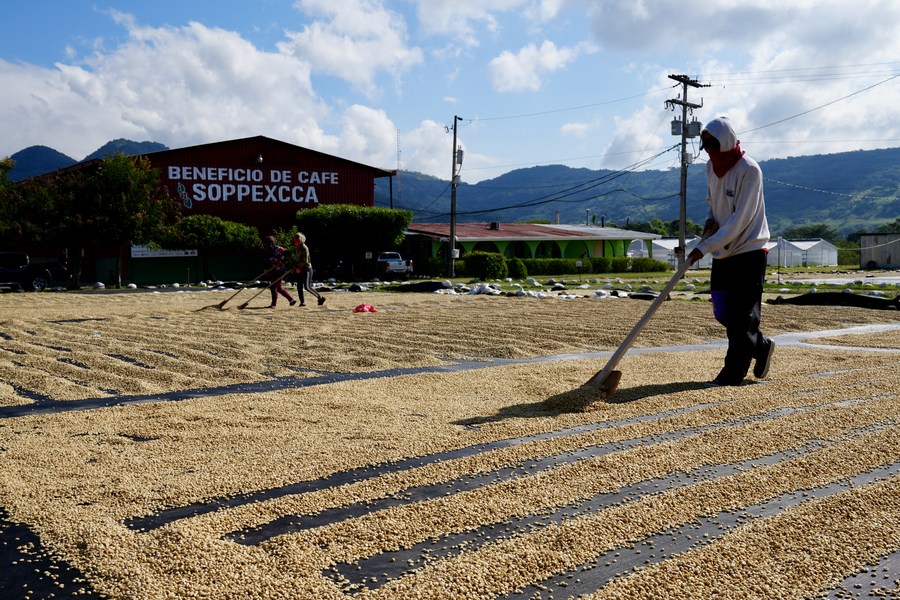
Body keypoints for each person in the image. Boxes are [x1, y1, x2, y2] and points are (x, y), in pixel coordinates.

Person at [687, 116, 775, 387]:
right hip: (722, 251)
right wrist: (710, 221)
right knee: (724, 313)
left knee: (743, 316)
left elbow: (740, 220)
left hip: (749, 249)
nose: (710, 152)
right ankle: (761, 346)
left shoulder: (750, 170)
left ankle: (732, 374)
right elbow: (713, 203)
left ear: (725, 141)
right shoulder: (712, 168)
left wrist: (703, 248)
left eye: (713, 146)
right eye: (706, 148)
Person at [290, 232, 325, 306]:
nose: (295, 242)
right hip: (299, 269)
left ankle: (320, 297)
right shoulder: (297, 248)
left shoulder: (304, 248)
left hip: (306, 269)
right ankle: (302, 302)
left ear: (300, 240)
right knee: (299, 286)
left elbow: (305, 261)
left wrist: (297, 266)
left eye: (296, 240)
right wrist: (295, 266)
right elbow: (297, 260)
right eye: (294, 240)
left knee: (307, 286)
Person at [262, 235, 296, 308]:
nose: (264, 244)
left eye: (266, 243)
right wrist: (266, 269)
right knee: (279, 288)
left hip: (280, 270)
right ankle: (291, 300)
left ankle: (273, 305)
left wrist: (282, 261)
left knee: (273, 287)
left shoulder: (279, 249)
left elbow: (288, 254)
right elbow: (266, 261)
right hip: (272, 270)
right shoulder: (267, 250)